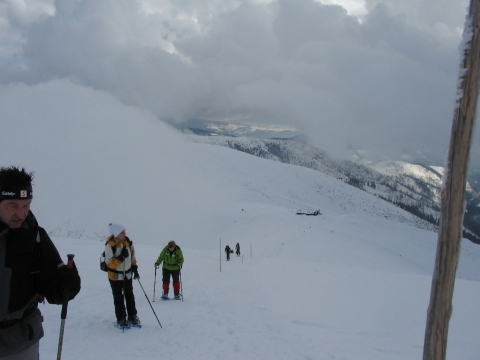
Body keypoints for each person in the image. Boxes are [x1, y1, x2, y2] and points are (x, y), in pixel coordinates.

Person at [0, 166, 81, 359]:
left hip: (18, 343)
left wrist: (67, 285)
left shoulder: (35, 238)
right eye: (13, 205)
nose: (21, 213)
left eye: (26, 205)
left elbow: (53, 291)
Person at [105, 223, 140, 328]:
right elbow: (109, 263)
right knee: (118, 298)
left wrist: (135, 268)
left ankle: (132, 316)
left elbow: (133, 256)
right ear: (116, 234)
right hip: (115, 277)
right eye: (122, 232)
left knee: (130, 296)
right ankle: (121, 318)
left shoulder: (128, 242)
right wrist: (121, 257)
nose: (125, 233)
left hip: (127, 275)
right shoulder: (110, 245)